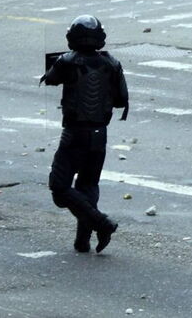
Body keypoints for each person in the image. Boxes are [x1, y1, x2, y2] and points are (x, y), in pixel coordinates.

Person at [41, 15, 129, 253]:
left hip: (73, 134)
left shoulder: (67, 61)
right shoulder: (112, 63)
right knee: (88, 186)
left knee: (60, 188)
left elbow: (49, 79)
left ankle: (103, 224)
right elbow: (121, 100)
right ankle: (83, 241)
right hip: (99, 136)